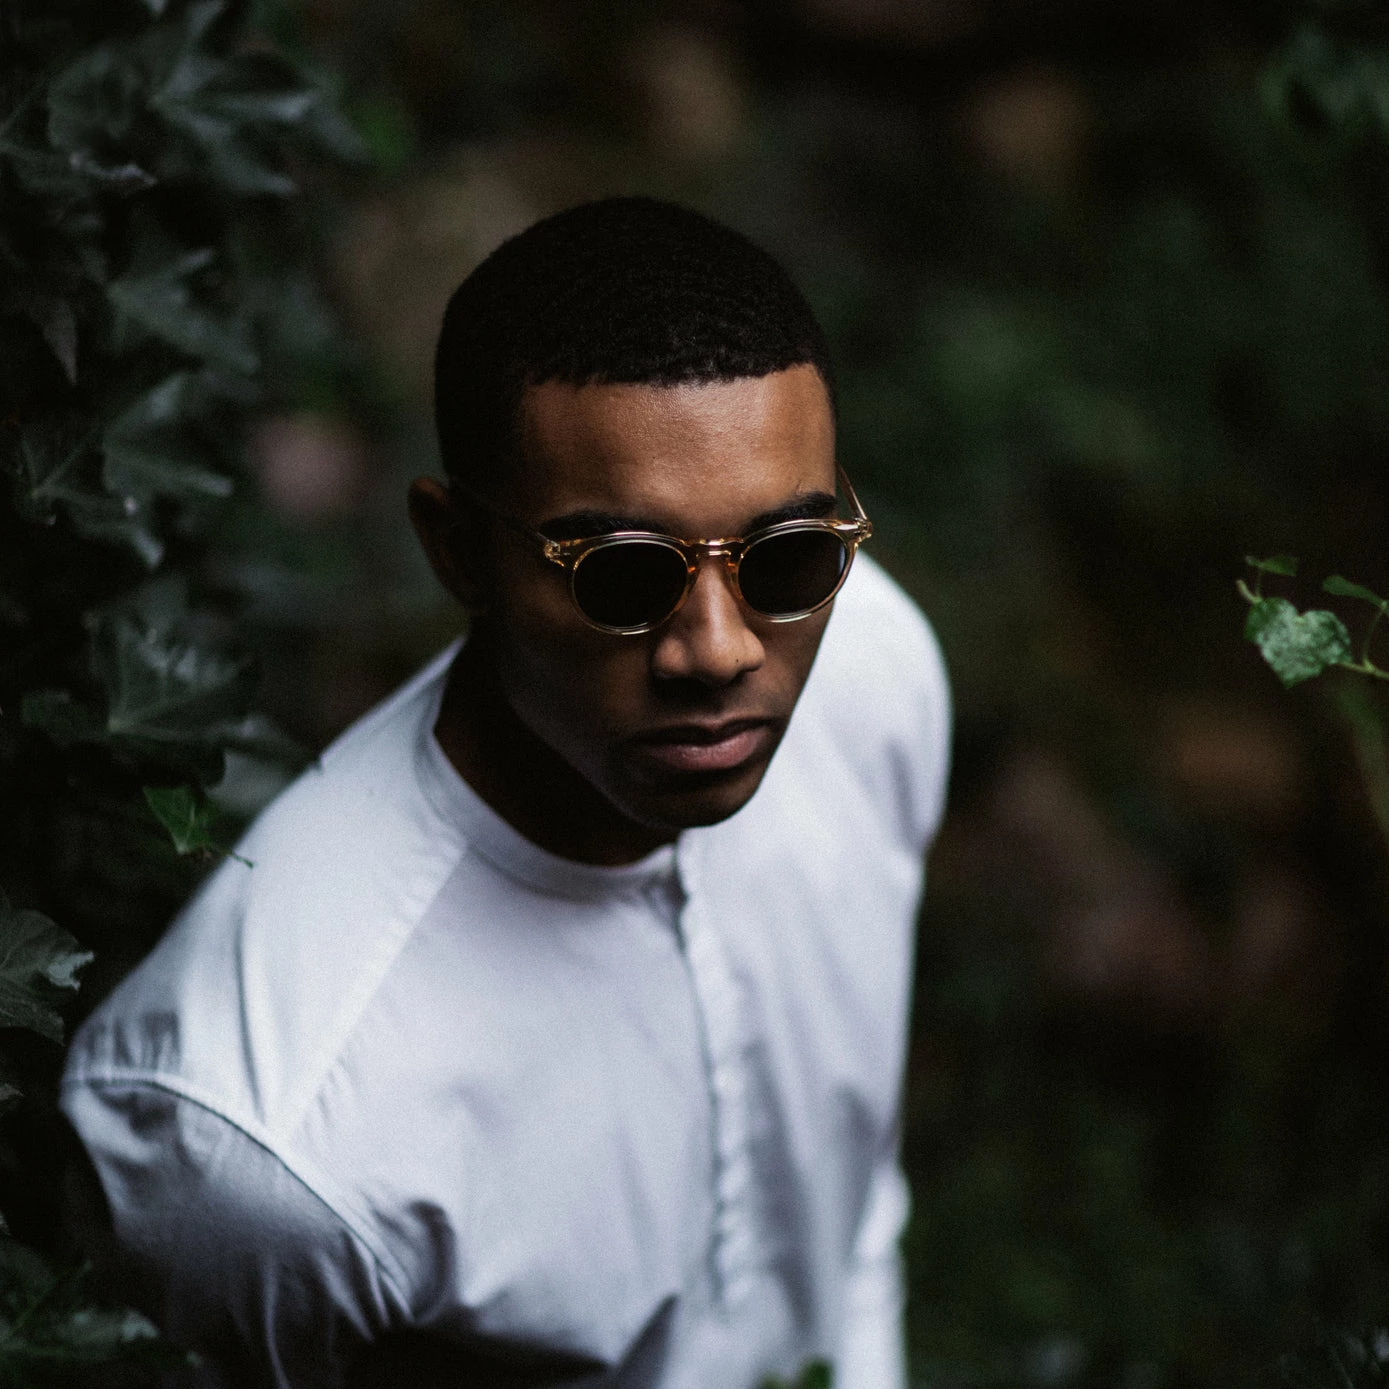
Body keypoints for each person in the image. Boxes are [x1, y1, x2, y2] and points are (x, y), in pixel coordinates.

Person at [61, 197, 951, 1388]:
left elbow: (851, 1217)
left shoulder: (872, 674)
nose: (721, 650)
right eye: (624, 575)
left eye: (789, 558)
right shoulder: (267, 1141)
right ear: (457, 552)